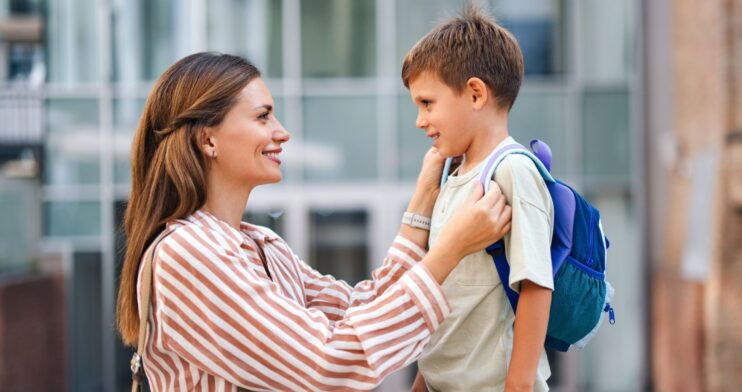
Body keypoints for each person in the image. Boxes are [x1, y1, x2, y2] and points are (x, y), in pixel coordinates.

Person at [115, 52, 513, 391]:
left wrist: (424, 200)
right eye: (263, 116)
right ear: (207, 140)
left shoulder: (261, 245)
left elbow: (361, 309)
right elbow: (326, 366)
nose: (281, 132)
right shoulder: (189, 254)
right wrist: (449, 251)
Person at [402, 5, 555, 392]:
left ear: (474, 94)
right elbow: (453, 301)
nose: (420, 120)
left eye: (427, 103)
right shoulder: (453, 175)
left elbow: (536, 285)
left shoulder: (512, 171)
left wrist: (518, 385)